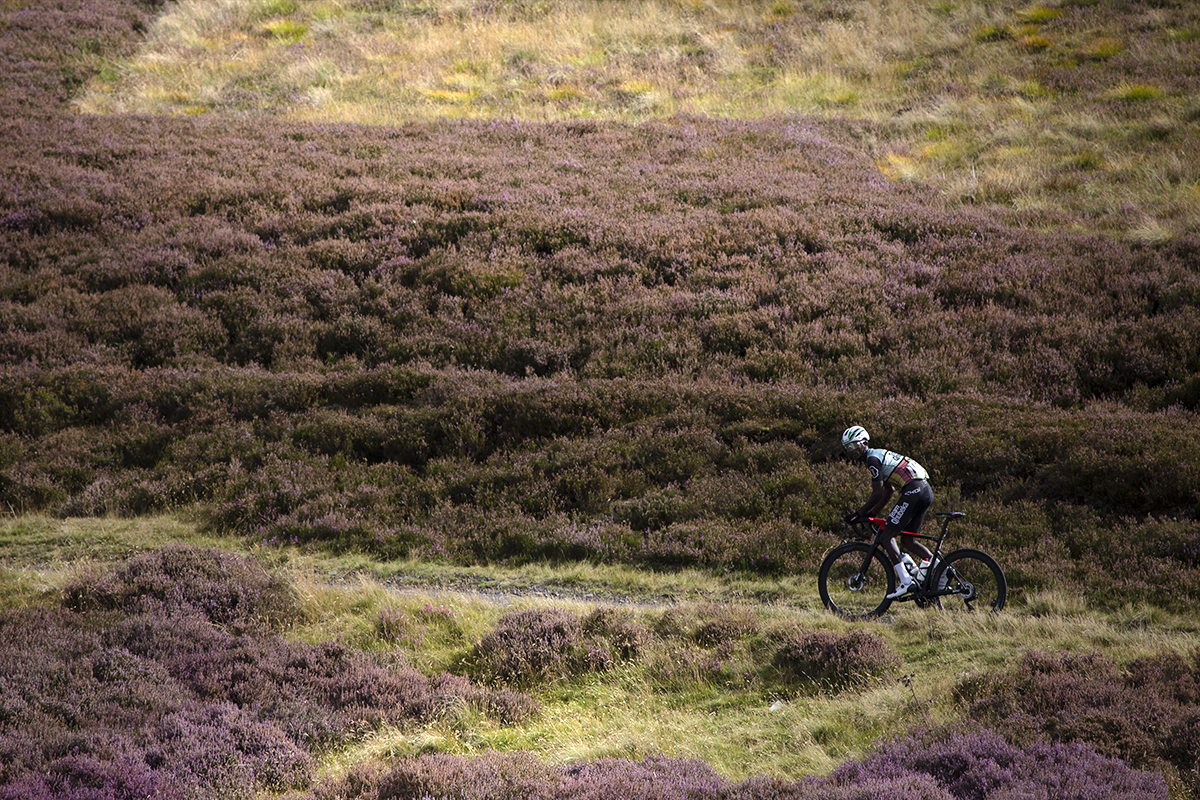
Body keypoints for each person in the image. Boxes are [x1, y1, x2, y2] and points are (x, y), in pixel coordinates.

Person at [840, 425, 936, 599]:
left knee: (886, 537)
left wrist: (859, 513)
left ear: (864, 442)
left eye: (854, 445)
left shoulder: (872, 459)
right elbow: (888, 491)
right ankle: (936, 566)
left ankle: (906, 581)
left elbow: (877, 493)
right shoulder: (878, 455)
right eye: (848, 447)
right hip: (924, 490)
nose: (851, 450)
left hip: (913, 489)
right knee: (907, 540)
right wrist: (873, 514)